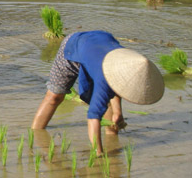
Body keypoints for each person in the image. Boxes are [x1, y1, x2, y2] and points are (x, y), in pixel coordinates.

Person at [31, 30, 164, 155]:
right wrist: (98, 153)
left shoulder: (127, 62)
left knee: (109, 105)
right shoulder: (104, 78)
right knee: (55, 97)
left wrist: (118, 113)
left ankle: (111, 140)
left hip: (97, 46)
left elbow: (119, 85)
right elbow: (93, 117)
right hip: (73, 47)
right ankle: (35, 134)